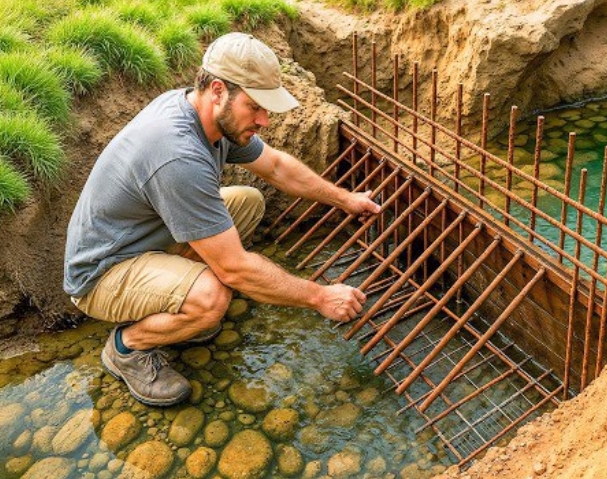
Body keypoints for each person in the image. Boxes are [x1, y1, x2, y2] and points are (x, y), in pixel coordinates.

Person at [63, 32, 381, 407]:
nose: (264, 120)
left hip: (143, 239)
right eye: (256, 106)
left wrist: (344, 198)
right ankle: (127, 347)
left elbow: (277, 167)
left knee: (246, 201)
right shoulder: (177, 154)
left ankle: (177, 307)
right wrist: (320, 296)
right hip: (103, 273)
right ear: (218, 90)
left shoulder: (206, 114)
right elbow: (236, 270)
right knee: (214, 298)